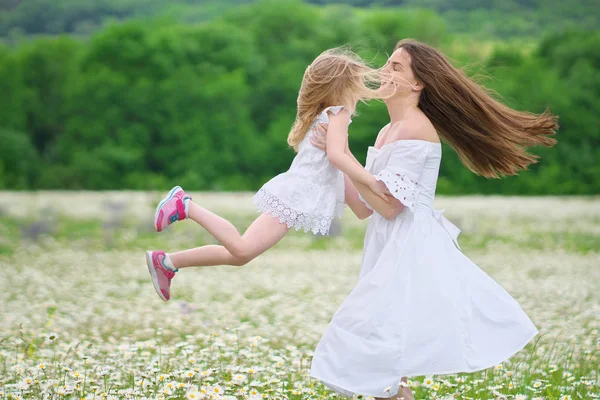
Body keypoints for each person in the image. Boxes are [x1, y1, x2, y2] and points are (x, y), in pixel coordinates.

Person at [308, 39, 557, 400]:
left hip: (410, 251)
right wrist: (333, 160)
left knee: (369, 350)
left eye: (397, 67)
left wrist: (341, 156)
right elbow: (367, 207)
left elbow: (392, 207)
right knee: (385, 363)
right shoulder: (386, 132)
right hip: (386, 246)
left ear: (417, 83)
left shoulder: (415, 129)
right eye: (388, 63)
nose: (385, 71)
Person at [145, 47, 394, 302]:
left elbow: (364, 210)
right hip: (296, 194)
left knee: (238, 254)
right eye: (358, 86)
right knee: (241, 250)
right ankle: (185, 206)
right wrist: (373, 182)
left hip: (297, 190)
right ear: (344, 88)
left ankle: (166, 262)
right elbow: (336, 157)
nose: (360, 95)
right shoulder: (338, 113)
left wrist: (358, 172)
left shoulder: (323, 116)